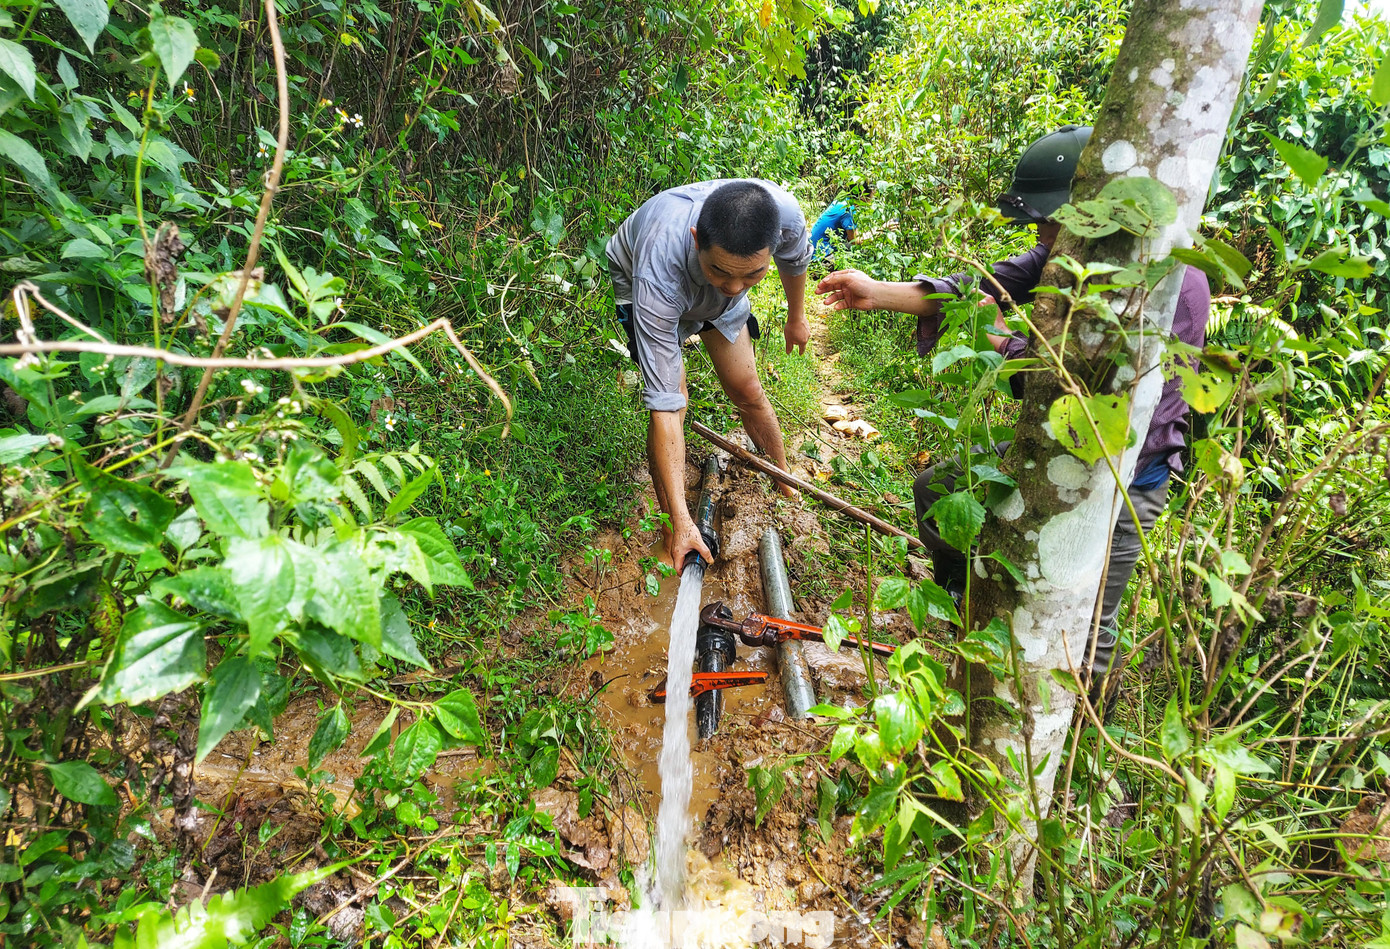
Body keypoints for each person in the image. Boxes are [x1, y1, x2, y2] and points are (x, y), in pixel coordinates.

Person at [816, 125, 1211, 710]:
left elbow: (1071, 387)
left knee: (1089, 619)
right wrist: (876, 292)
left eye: (1050, 223)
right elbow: (986, 284)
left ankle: (1078, 744)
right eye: (1042, 226)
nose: (1043, 238)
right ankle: (971, 620)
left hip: (1123, 477)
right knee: (940, 490)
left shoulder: (1164, 287)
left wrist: (1001, 343)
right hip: (1047, 451)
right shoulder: (1069, 254)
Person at [606, 179, 812, 568]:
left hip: (698, 279)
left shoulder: (784, 216)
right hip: (647, 279)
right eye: (721, 270)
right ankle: (674, 529)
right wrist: (686, 523)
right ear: (697, 237)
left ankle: (785, 480)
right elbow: (664, 408)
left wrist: (796, 317)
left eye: (752, 275)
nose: (735, 287)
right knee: (675, 397)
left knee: (748, 389)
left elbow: (796, 260)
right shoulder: (657, 271)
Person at [810, 196, 858, 262]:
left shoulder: (842, 200)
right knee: (863, 250)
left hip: (814, 247)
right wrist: (870, 239)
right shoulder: (849, 209)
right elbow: (854, 241)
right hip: (824, 253)